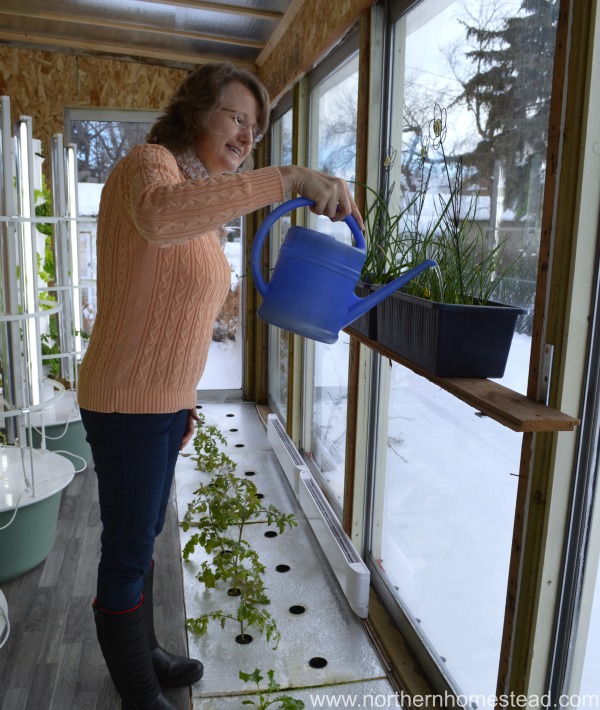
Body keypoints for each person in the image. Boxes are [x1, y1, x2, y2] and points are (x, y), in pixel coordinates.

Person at [77, 61, 363, 709]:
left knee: (144, 532)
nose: (247, 136)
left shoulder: (203, 195)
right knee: (125, 548)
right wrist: (286, 177)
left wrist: (185, 401)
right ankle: (135, 689)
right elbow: (158, 218)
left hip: (159, 402)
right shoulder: (151, 167)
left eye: (255, 130)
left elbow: (182, 308)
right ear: (195, 111)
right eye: (237, 118)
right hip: (125, 398)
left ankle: (141, 650)